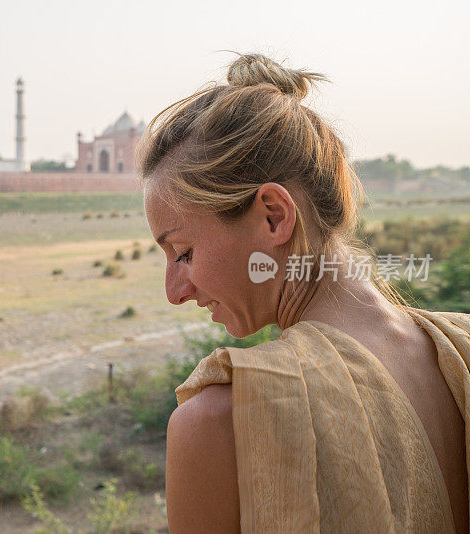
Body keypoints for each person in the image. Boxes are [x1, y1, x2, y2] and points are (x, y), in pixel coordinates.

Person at [138, 53, 470, 533]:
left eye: (183, 252)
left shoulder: (223, 422)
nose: (175, 291)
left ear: (274, 215)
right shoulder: (462, 348)